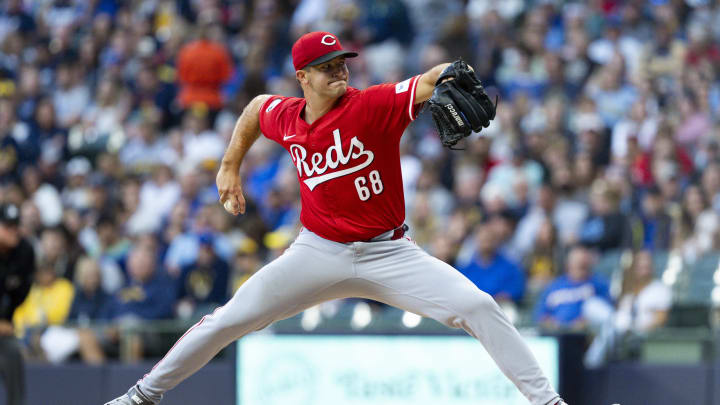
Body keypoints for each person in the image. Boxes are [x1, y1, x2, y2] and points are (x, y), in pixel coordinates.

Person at [105, 31, 566, 405]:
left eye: (342, 63)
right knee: (228, 319)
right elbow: (252, 110)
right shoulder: (286, 116)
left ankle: (547, 403)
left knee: (478, 307)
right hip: (318, 251)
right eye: (328, 67)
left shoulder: (371, 105)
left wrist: (448, 71)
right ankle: (143, 395)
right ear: (302, 76)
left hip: (388, 252)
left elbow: (425, 82)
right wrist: (229, 166)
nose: (340, 71)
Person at [0, 203, 35, 405]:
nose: (13, 231)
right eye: (7, 226)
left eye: (16, 226)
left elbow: (20, 294)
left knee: (13, 351)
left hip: (5, 327)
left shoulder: (24, 251)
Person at [534, 245, 613, 330]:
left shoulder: (598, 283)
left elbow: (606, 312)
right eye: (578, 263)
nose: (582, 266)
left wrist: (586, 322)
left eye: (584, 265)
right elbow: (540, 316)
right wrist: (550, 323)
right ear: (568, 264)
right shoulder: (554, 286)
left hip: (586, 336)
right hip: (556, 335)